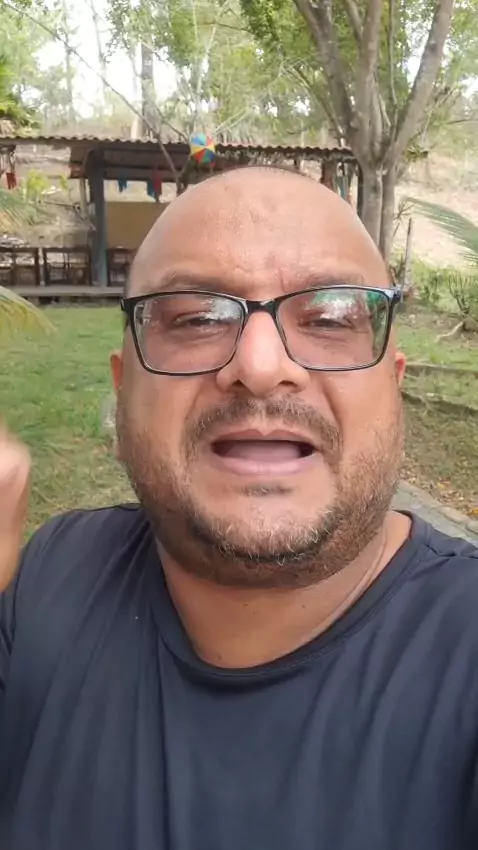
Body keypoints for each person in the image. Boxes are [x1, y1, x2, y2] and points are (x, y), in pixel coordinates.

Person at [0, 166, 477, 850]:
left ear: (392, 387)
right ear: (124, 390)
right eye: (196, 318)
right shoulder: (53, 576)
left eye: (329, 316)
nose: (259, 366)